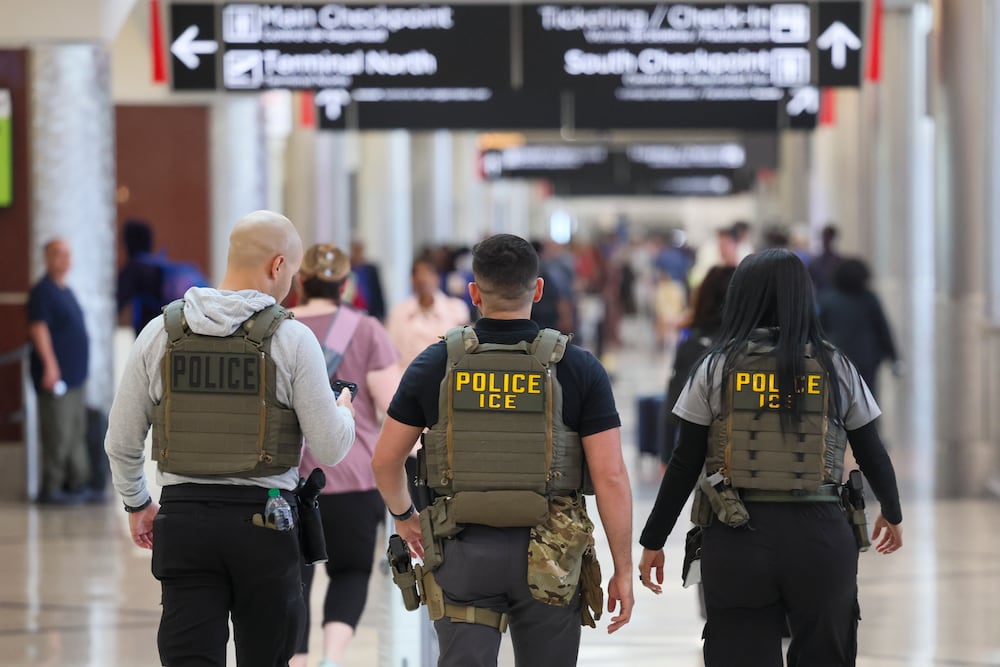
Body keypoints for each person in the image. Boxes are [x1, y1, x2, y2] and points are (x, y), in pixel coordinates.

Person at [104, 211, 357, 667]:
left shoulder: (160, 333)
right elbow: (331, 447)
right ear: (278, 266)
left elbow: (121, 440)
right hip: (265, 525)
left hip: (183, 524)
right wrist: (344, 411)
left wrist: (138, 503)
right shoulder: (293, 339)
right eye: (293, 273)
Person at [372, 233, 634, 667]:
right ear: (538, 289)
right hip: (551, 552)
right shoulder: (579, 366)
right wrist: (622, 569)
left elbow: (385, 461)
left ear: (474, 293)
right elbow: (610, 476)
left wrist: (405, 518)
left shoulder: (435, 363)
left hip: (461, 550)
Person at [638, 249, 903, 667]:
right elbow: (871, 450)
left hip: (736, 535)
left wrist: (654, 539)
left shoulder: (715, 367)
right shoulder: (835, 366)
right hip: (821, 538)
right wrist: (891, 509)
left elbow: (685, 461)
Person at [288, 244, 402, 667]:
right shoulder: (367, 329)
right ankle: (332, 658)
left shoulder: (279, 328)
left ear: (300, 282)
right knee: (351, 572)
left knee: (294, 577)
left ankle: (296, 660)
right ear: (346, 285)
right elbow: (393, 405)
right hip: (355, 476)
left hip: (292, 478)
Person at [27, 239, 91, 504]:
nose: (65, 259)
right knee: (58, 432)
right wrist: (51, 366)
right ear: (47, 258)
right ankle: (51, 488)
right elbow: (38, 329)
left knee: (75, 431)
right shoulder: (42, 292)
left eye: (68, 253)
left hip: (76, 377)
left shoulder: (65, 290)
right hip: (58, 378)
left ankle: (75, 484)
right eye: (59, 254)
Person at [660, 265, 736, 474]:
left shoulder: (694, 345)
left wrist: (666, 456)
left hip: (709, 463)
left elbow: (674, 404)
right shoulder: (753, 346)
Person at [819, 258, 901, 400]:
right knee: (867, 401)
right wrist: (894, 357)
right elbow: (883, 329)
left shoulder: (829, 300)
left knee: (838, 400)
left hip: (837, 358)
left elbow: (819, 330)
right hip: (866, 360)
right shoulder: (869, 299)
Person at [385, 252, 470, 368]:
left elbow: (463, 352)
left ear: (436, 278)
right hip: (408, 378)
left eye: (427, 274)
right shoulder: (399, 312)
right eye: (417, 275)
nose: (422, 279)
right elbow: (391, 353)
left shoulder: (456, 309)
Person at [117, 219, 164, 336]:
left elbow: (117, 301)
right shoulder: (156, 265)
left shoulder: (134, 269)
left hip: (148, 334)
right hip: (167, 331)